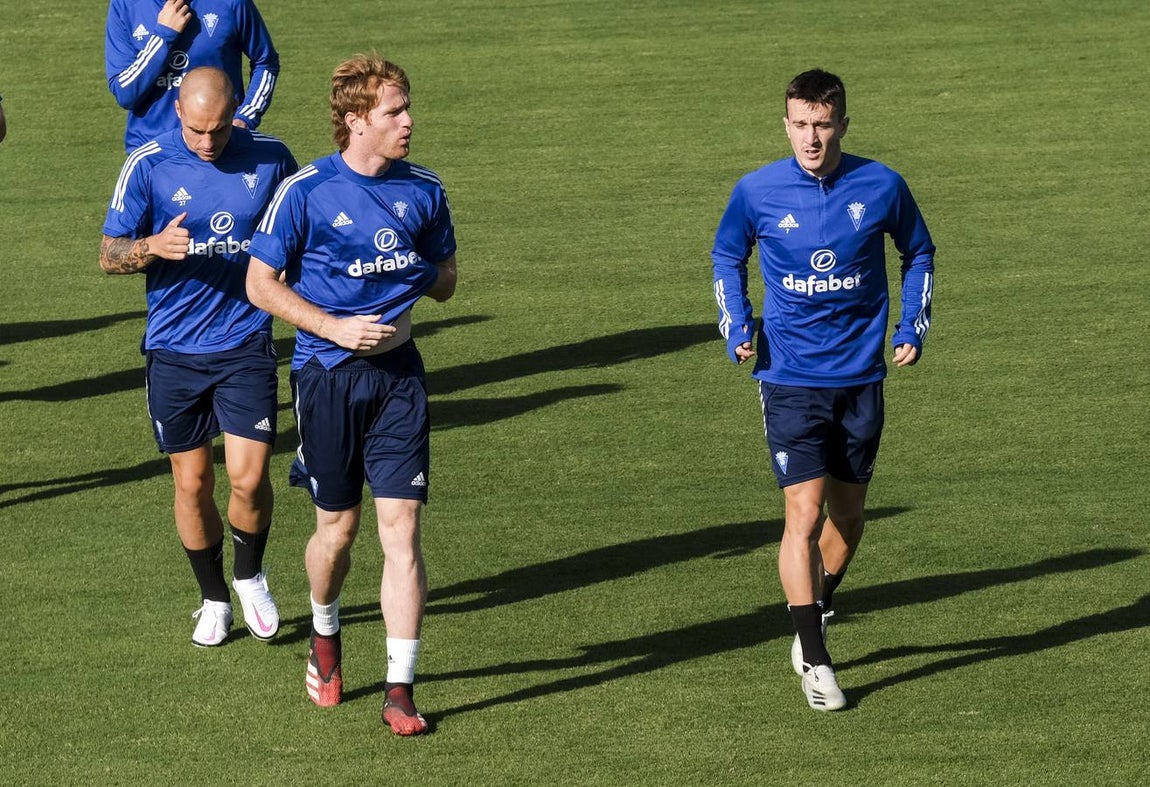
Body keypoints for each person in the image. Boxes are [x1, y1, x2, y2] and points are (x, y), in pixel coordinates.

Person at [246, 52, 458, 736]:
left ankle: (400, 687)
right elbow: (259, 283)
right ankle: (327, 630)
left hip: (400, 380)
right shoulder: (305, 191)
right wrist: (334, 324)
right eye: (394, 112)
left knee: (403, 531)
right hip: (327, 380)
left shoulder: (424, 189)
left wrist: (413, 267)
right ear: (355, 120)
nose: (408, 122)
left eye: (406, 108)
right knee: (337, 531)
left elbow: (446, 278)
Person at [711, 69, 935, 711]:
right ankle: (813, 655)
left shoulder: (883, 184)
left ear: (842, 123)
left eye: (823, 124)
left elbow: (919, 251)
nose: (812, 137)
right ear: (786, 124)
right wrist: (736, 326)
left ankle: (817, 602)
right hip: (787, 376)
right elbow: (727, 254)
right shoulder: (755, 191)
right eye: (800, 124)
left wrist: (911, 322)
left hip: (861, 375)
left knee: (849, 517)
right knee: (802, 514)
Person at [100, 67, 298, 648]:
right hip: (173, 350)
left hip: (244, 343)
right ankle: (212, 597)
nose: (207, 142)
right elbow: (108, 254)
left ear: (234, 110)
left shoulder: (271, 157)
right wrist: (151, 246)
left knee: (250, 476)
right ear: (178, 112)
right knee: (192, 483)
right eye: (195, 130)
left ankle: (249, 574)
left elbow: (299, 229)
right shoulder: (148, 163)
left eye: (217, 130)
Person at [105, 0, 279, 152]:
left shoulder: (232, 3)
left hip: (218, 146)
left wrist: (245, 117)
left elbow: (265, 61)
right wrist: (164, 36)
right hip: (154, 152)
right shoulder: (125, 4)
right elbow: (125, 92)